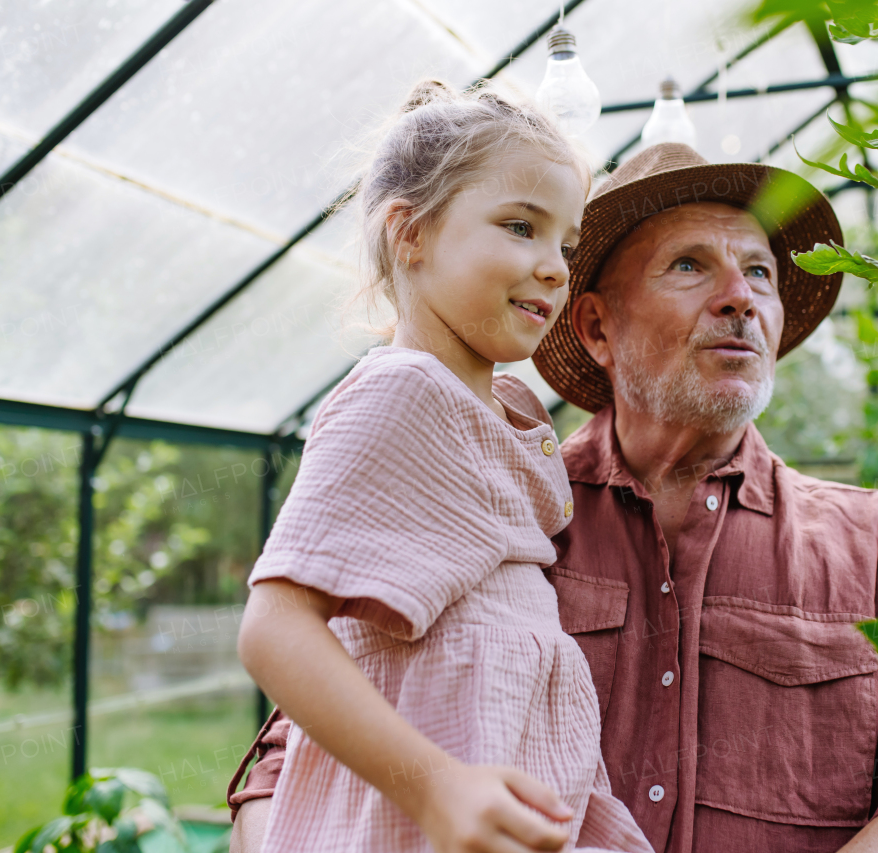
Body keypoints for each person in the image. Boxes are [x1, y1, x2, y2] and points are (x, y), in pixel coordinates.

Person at [230, 142, 878, 853]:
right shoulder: (494, 499)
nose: (740, 296)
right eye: (689, 266)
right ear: (597, 327)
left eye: (762, 272)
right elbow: (284, 765)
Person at [233, 78, 654, 853]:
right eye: (521, 226)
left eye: (565, 243)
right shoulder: (403, 393)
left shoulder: (500, 421)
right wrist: (433, 785)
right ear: (411, 233)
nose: (558, 267)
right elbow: (274, 627)